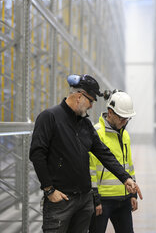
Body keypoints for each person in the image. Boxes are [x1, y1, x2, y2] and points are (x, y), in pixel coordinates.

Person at [29, 74, 142, 233]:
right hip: (61, 202)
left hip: (83, 202)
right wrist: (49, 190)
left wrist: (125, 178)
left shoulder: (85, 124)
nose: (91, 106)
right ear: (79, 96)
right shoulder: (50, 117)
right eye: (90, 101)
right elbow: (37, 154)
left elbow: (103, 153)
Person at [89, 90, 138, 233]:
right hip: (103, 200)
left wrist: (132, 194)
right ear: (110, 112)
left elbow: (128, 165)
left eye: (127, 119)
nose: (124, 122)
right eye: (122, 118)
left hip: (123, 200)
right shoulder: (97, 133)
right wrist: (95, 198)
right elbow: (90, 168)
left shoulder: (125, 135)